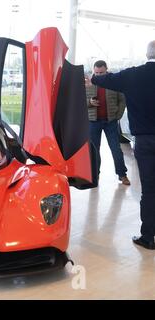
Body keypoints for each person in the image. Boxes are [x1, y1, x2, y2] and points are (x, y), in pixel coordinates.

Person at [92, 41, 155, 250]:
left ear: (147, 54)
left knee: (149, 189)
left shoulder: (133, 74)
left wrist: (92, 77)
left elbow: (104, 79)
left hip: (145, 140)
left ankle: (148, 237)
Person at [86, 60, 130, 185]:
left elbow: (122, 99)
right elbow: (79, 101)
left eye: (102, 73)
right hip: (93, 122)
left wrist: (118, 115)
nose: (99, 75)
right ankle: (95, 176)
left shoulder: (114, 82)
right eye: (97, 73)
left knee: (116, 149)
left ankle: (122, 175)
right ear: (94, 71)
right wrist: (90, 102)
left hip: (111, 122)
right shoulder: (88, 83)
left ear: (107, 70)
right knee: (94, 150)